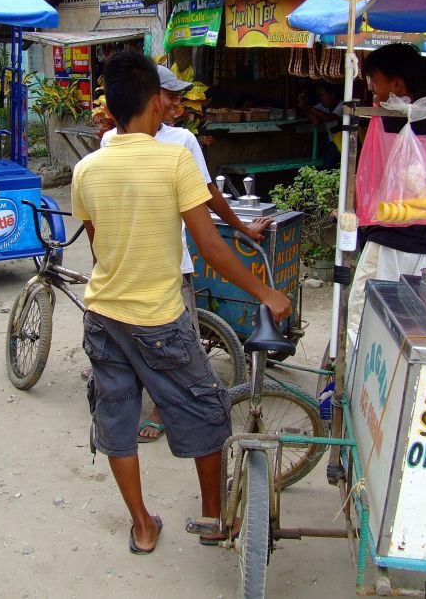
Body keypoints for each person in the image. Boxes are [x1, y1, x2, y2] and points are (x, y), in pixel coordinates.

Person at [72, 51, 291, 554]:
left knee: (117, 415)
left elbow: (98, 242)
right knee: (206, 409)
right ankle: (212, 517)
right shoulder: (174, 158)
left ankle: (143, 526)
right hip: (159, 317)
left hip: (103, 314)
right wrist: (265, 292)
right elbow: (209, 244)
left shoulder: (87, 168)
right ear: (154, 103)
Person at [99, 65, 272, 443]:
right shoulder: (108, 142)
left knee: (178, 344)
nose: (177, 102)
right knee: (129, 341)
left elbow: (208, 194)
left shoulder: (181, 142)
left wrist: (242, 228)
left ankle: (164, 408)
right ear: (148, 98)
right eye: (170, 94)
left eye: (179, 95)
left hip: (170, 263)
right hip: (124, 270)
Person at [347, 43, 426, 350]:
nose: (372, 89)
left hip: (389, 238)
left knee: (364, 316)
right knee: (413, 324)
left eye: (375, 80)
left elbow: (372, 178)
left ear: (397, 83)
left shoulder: (385, 117)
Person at [298, 80, 343, 169]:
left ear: (332, 95)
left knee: (328, 160)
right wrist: (304, 107)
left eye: (322, 95)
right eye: (319, 96)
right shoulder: (323, 107)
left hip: (343, 142)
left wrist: (308, 108)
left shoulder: (342, 105)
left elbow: (328, 117)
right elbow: (311, 117)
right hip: (332, 143)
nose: (320, 98)